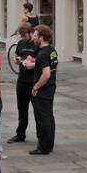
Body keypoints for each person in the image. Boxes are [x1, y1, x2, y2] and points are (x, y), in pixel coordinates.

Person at [6, 23, 38, 145]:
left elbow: (41, 61)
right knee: (22, 109)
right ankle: (20, 134)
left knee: (37, 110)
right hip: (22, 80)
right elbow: (16, 55)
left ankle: (41, 136)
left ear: (30, 33)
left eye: (25, 36)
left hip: (34, 81)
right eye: (22, 36)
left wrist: (31, 63)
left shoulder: (36, 45)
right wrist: (17, 60)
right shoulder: (20, 43)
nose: (23, 38)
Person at [29, 24, 58, 155]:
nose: (33, 38)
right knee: (49, 116)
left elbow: (46, 74)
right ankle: (49, 144)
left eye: (35, 36)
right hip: (51, 88)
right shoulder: (52, 50)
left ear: (41, 37)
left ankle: (43, 146)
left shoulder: (41, 55)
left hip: (43, 90)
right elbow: (55, 69)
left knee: (42, 118)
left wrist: (36, 87)